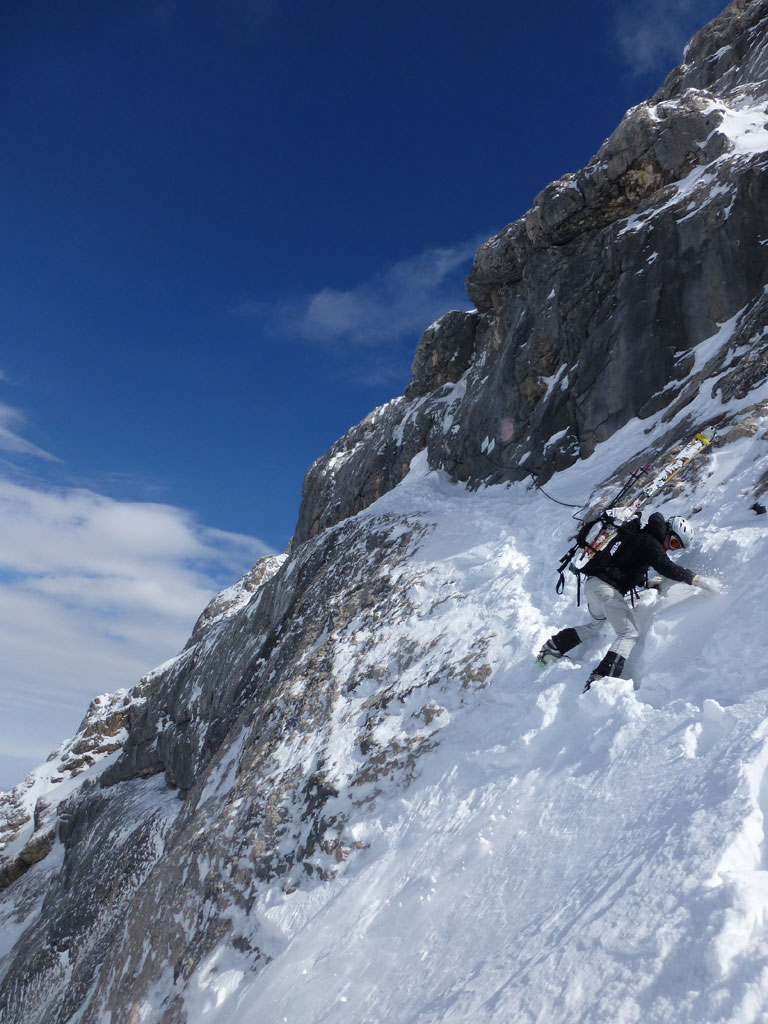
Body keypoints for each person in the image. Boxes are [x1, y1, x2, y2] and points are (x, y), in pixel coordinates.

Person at [537, 512, 720, 692]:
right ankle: (601, 679)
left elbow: (625, 567)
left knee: (595, 627)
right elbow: (666, 567)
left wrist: (646, 583)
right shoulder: (650, 542)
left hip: (593, 586)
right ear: (668, 531)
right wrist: (695, 579)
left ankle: (552, 649)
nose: (671, 548)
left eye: (676, 547)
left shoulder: (641, 538)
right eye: (673, 543)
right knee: (629, 633)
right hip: (605, 590)